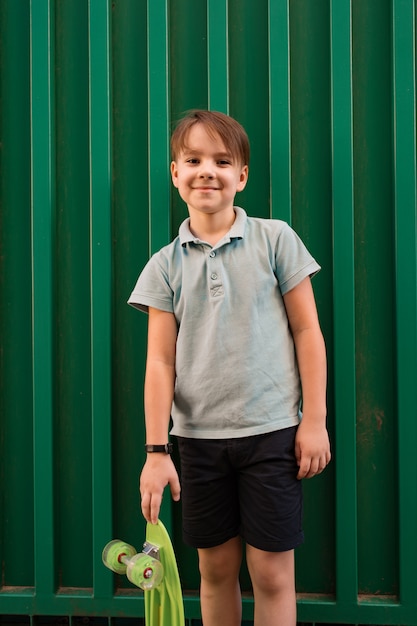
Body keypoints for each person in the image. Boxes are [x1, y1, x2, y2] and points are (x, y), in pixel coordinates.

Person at [128, 109, 331, 626]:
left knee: (271, 574)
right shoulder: (164, 265)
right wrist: (156, 451)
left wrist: (314, 420)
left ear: (241, 175)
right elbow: (159, 362)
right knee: (215, 571)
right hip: (197, 442)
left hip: (273, 435)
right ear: (175, 173)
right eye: (192, 160)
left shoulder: (275, 240)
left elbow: (308, 331)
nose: (206, 171)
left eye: (222, 161)